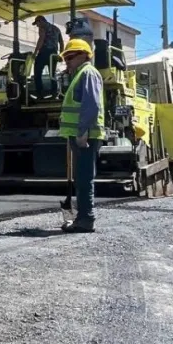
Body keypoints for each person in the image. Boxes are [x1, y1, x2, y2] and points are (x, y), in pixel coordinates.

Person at [58, 38, 105, 233]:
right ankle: (82, 217)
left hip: (86, 135)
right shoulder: (79, 75)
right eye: (65, 58)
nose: (67, 61)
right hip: (80, 134)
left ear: (84, 55)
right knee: (82, 178)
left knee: (85, 178)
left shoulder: (88, 73)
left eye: (70, 57)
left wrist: (82, 132)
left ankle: (86, 219)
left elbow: (91, 105)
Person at [32, 15, 63, 99]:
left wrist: (35, 53)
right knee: (52, 74)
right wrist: (61, 54)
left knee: (37, 73)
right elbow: (61, 42)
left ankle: (39, 94)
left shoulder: (42, 27)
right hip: (53, 54)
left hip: (44, 52)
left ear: (41, 21)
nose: (37, 26)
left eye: (37, 23)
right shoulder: (56, 28)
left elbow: (41, 39)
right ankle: (54, 93)